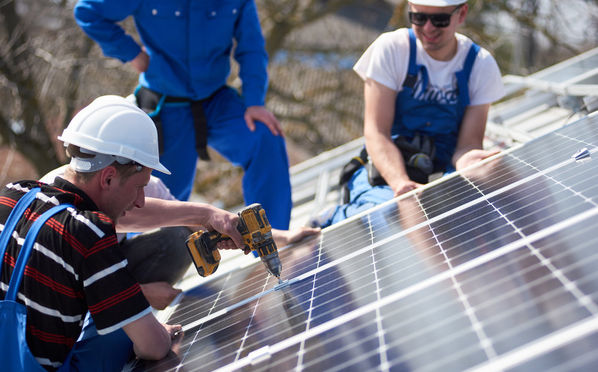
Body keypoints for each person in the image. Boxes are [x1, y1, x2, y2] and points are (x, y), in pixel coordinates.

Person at [0, 95, 246, 371]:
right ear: (107, 178)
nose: (141, 201)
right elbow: (154, 348)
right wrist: (156, 333)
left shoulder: (13, 194)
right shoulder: (88, 230)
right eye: (140, 186)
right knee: (133, 334)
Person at [73, 0, 293, 231]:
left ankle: (272, 240)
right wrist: (133, 54)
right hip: (167, 105)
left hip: (217, 100)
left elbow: (252, 48)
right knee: (158, 199)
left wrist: (254, 102)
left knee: (265, 136)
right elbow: (88, 12)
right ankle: (142, 260)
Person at [320, 0, 505, 227]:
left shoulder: (480, 64)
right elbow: (377, 132)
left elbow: (467, 145)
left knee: (472, 210)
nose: (428, 28)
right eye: (419, 18)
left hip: (442, 166)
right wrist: (401, 184)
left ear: (462, 13)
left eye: (439, 20)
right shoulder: (391, 49)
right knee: (390, 212)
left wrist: (470, 162)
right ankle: (333, 218)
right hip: (389, 166)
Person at [40, 168, 320, 310]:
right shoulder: (63, 208)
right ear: (109, 175)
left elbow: (189, 221)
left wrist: (282, 236)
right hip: (67, 294)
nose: (141, 198)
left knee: (177, 238)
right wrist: (139, 295)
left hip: (112, 262)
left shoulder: (143, 182)